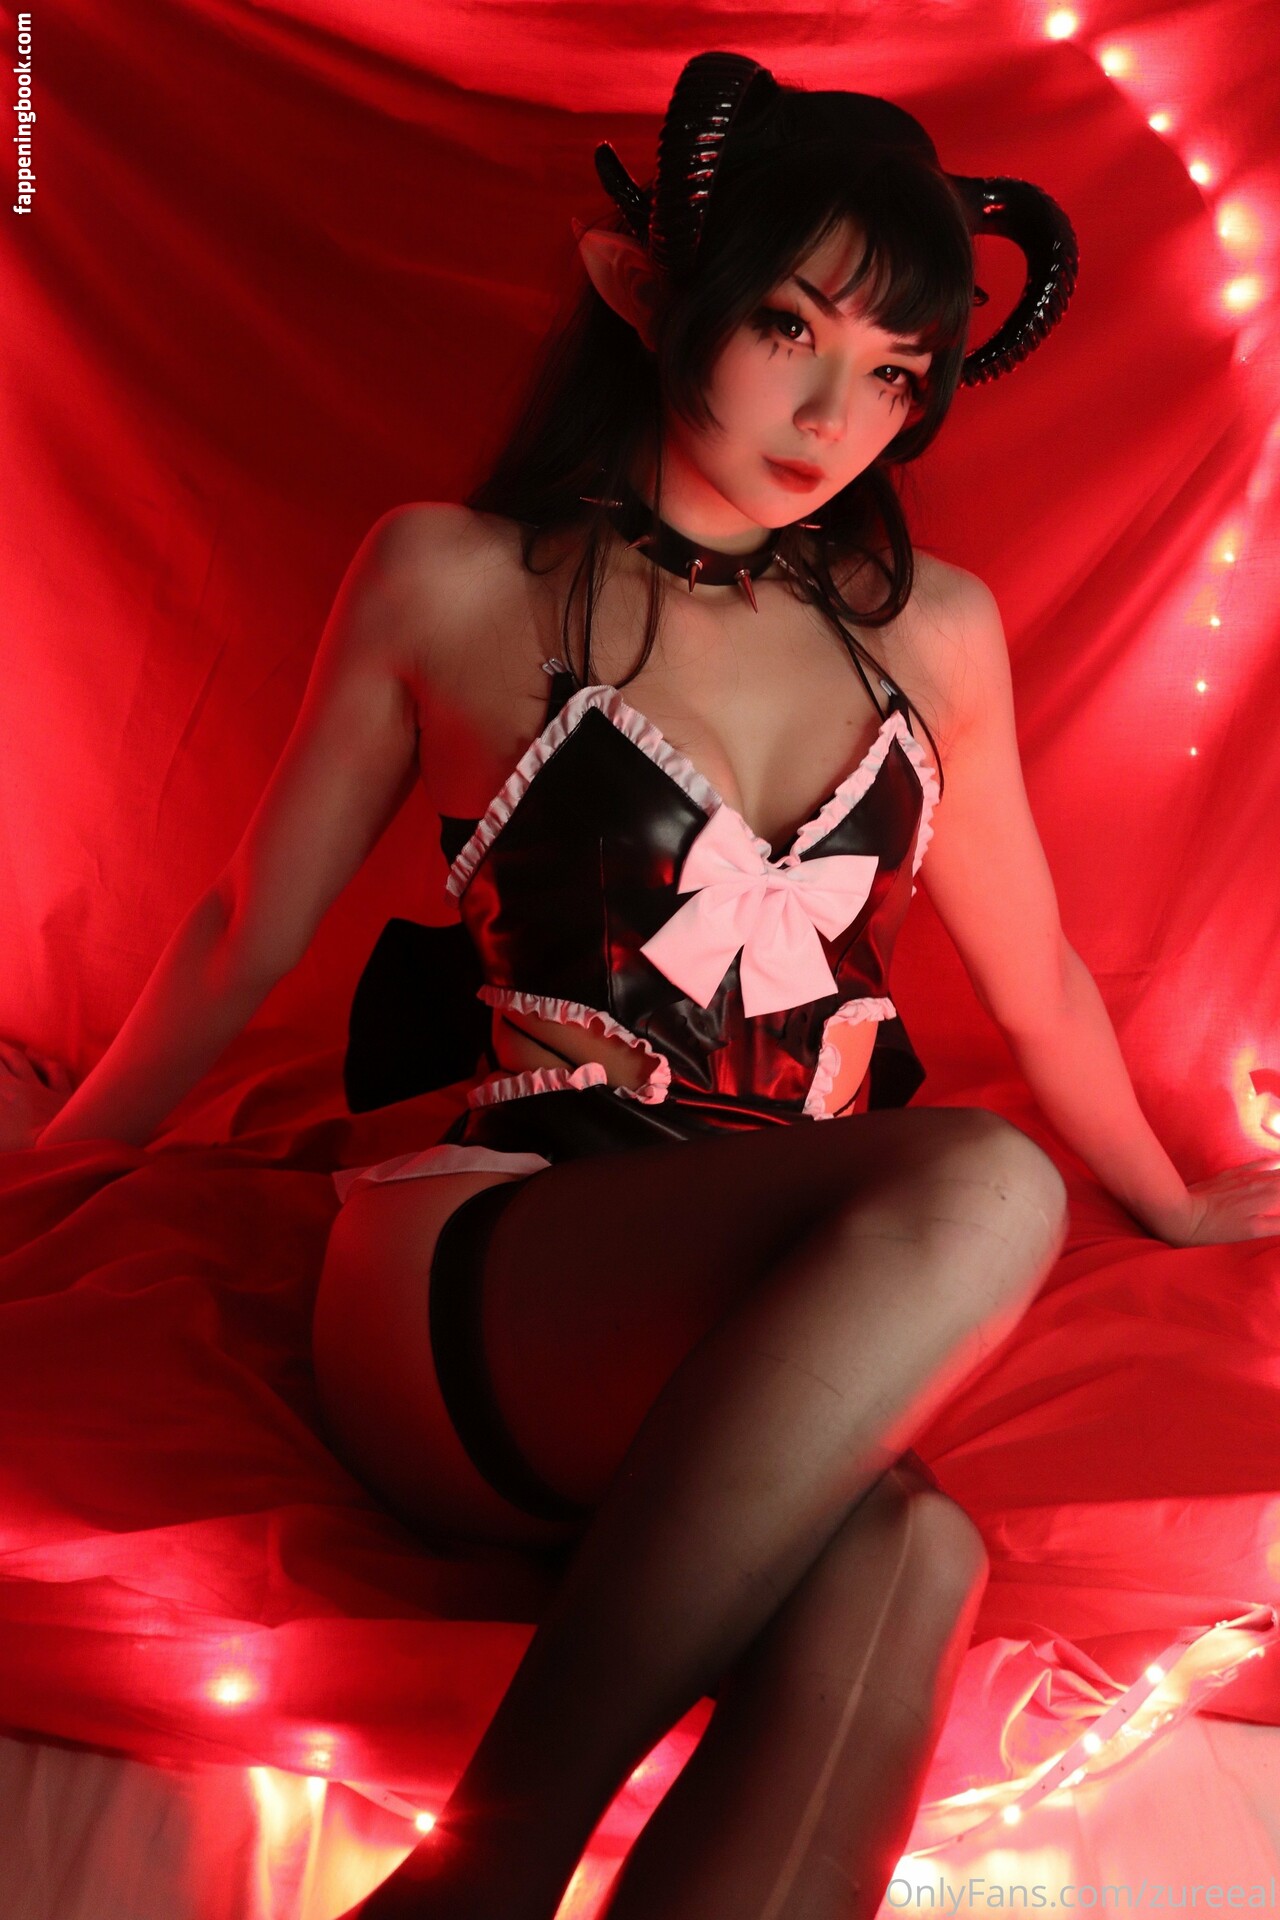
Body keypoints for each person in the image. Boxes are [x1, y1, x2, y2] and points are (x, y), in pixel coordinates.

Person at [10, 46, 1280, 1920]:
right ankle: (488, 1868)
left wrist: (1175, 1199)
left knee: (913, 1561)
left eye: (896, 370)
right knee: (986, 1180)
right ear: (641, 291)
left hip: (755, 1290)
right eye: (790, 327)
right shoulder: (454, 580)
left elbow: (1043, 984)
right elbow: (239, 931)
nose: (836, 413)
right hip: (490, 1255)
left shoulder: (935, 634)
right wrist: (55, 1170)